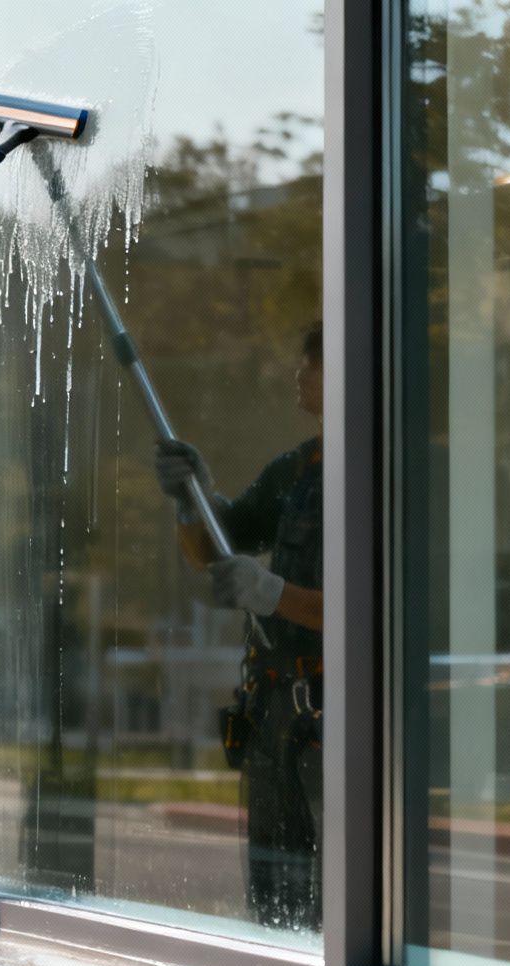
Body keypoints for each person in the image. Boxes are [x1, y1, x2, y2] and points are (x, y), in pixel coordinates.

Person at [154, 323, 324, 932]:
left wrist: (275, 594)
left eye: (311, 363)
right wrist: (193, 499)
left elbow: (373, 606)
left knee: (335, 899)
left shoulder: (376, 473)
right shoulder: (298, 469)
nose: (297, 375)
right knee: (276, 897)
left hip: (334, 719)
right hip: (275, 711)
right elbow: (217, 547)